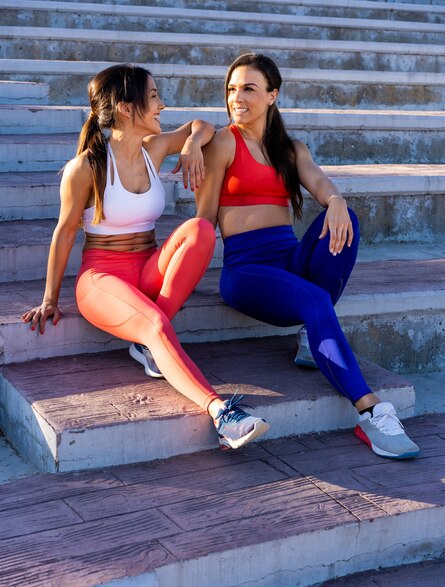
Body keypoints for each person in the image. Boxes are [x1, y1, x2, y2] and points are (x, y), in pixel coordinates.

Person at [22, 63, 269, 451]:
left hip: (148, 268)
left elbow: (203, 126)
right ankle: (222, 413)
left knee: (201, 229)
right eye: (153, 96)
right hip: (102, 280)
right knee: (153, 322)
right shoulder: (87, 167)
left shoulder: (153, 149)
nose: (161, 105)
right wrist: (50, 300)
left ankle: (148, 345)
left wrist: (189, 147)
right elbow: (65, 232)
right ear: (125, 107)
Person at [195, 52, 419, 460]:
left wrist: (334, 199)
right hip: (246, 271)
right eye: (231, 89)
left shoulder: (291, 148)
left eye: (248, 88)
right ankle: (370, 412)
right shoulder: (224, 142)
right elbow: (204, 218)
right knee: (315, 300)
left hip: (288, 261)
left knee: (344, 219)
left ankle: (311, 335)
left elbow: (317, 181)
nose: (237, 97)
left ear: (272, 95)